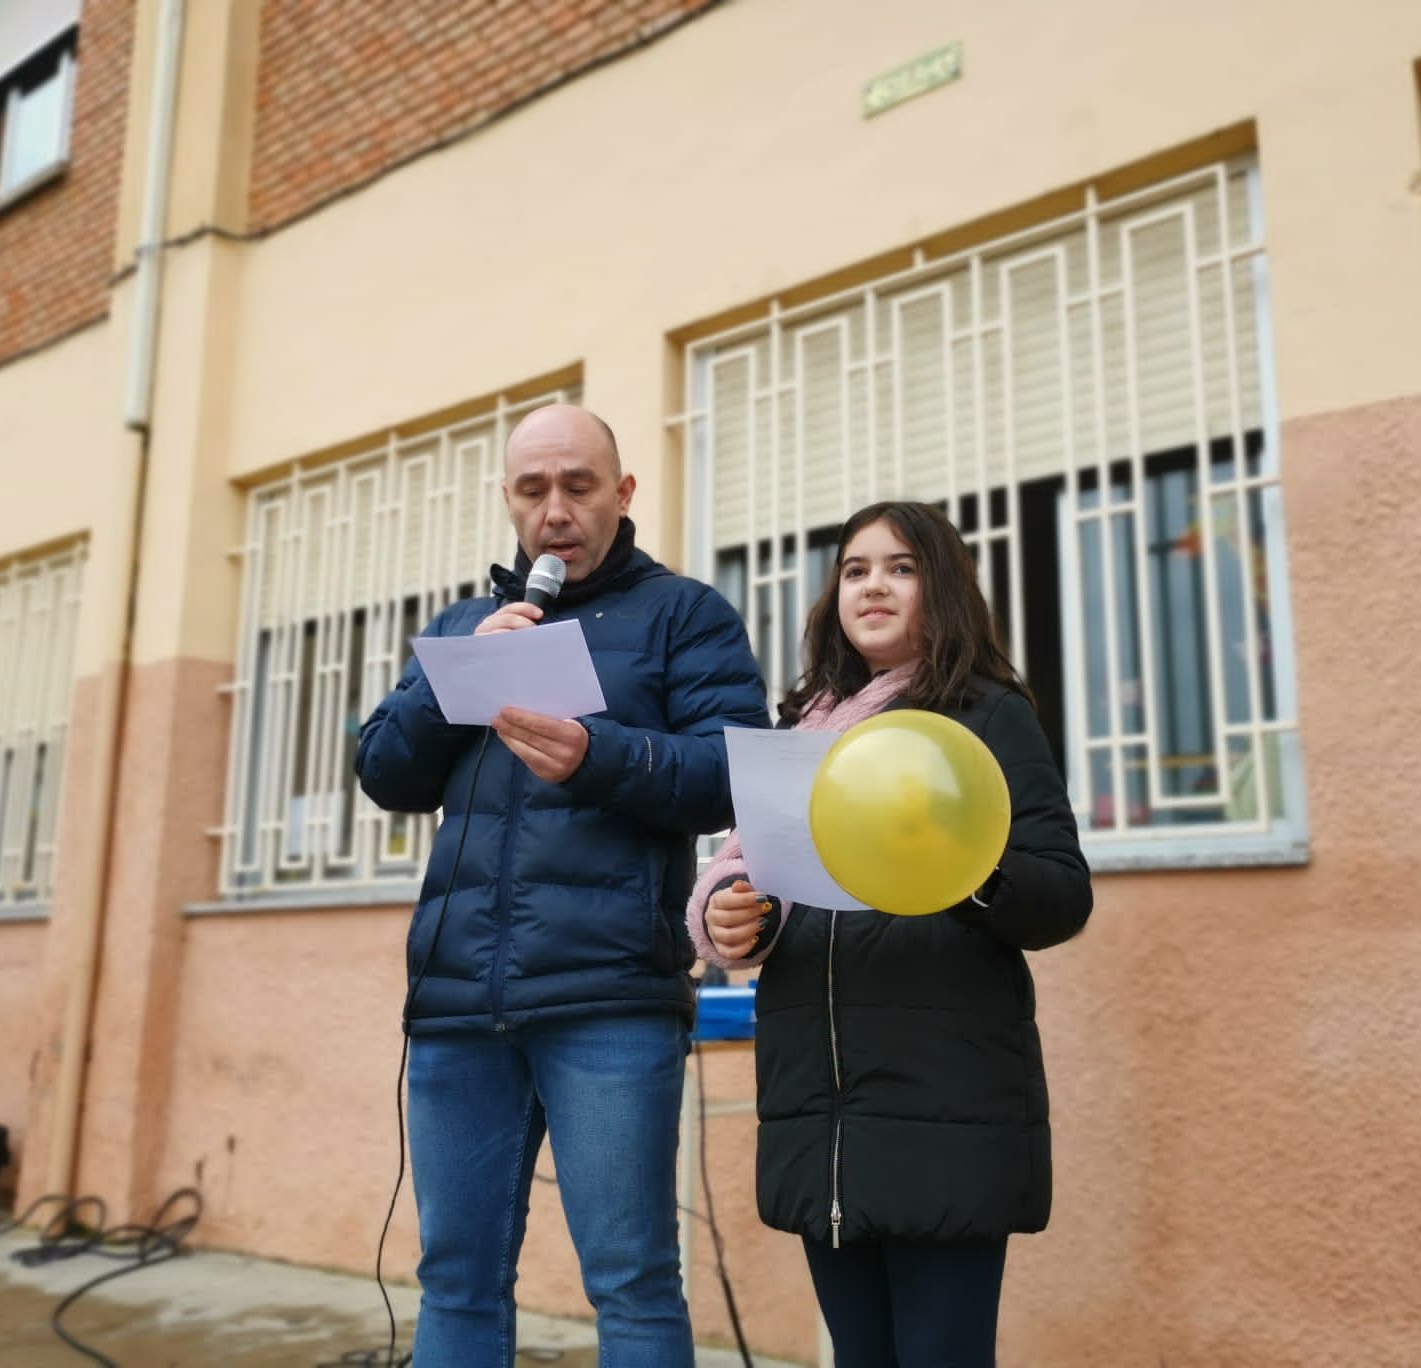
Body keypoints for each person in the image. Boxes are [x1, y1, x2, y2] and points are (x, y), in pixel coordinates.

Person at [355, 403, 769, 1368]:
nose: (555, 511)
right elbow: (385, 772)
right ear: (507, 500)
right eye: (533, 490)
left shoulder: (685, 614)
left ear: (623, 494)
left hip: (609, 999)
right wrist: (441, 688)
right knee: (455, 1278)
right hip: (459, 1004)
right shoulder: (466, 626)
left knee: (629, 1281)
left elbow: (730, 774)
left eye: (578, 487)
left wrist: (596, 756)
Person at [686, 500, 1092, 1368]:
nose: (873, 584)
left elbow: (1060, 896)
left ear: (940, 589)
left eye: (901, 567)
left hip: (945, 1107)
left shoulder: (986, 716)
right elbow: (754, 871)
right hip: (819, 1110)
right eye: (857, 568)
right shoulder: (805, 726)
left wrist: (959, 869)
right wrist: (732, 912)